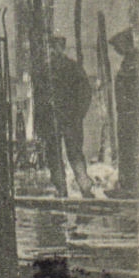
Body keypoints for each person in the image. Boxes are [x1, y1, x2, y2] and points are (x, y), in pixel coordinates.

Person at [48, 35, 94, 197]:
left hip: (70, 118)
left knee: (74, 152)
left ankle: (85, 186)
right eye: (51, 48)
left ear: (62, 48)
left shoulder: (73, 68)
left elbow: (85, 92)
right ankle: (60, 188)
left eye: (56, 47)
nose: (53, 51)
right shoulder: (46, 71)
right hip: (53, 119)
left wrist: (79, 114)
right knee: (54, 153)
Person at [110, 29, 139, 197]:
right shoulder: (128, 62)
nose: (117, 50)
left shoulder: (134, 63)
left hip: (131, 116)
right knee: (126, 149)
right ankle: (126, 185)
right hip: (125, 115)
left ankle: (131, 187)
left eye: (118, 46)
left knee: (130, 149)